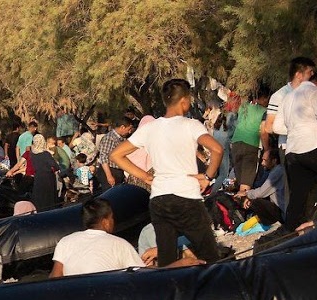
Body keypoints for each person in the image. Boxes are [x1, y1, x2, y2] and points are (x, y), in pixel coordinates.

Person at [111, 78, 226, 266]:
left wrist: (145, 176)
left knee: (167, 258)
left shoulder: (149, 128)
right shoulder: (190, 125)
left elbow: (116, 155)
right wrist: (207, 177)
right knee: (210, 256)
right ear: (184, 101)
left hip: (159, 199)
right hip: (186, 196)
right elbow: (217, 149)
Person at [51, 198, 203, 277]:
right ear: (105, 221)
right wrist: (180, 264)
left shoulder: (66, 241)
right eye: (112, 217)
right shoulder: (119, 244)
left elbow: (56, 276)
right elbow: (145, 275)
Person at [279, 65, 317, 230]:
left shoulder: (289, 97)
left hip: (292, 150)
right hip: (314, 146)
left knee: (299, 196)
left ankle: (291, 231)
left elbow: (282, 124)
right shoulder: (316, 91)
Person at [231, 84, 270, 195]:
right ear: (264, 98)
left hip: (236, 143)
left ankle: (236, 202)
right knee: (245, 186)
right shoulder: (264, 111)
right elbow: (263, 131)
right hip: (251, 145)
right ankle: (242, 203)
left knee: (240, 180)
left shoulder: (244, 107)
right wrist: (267, 149)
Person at [9, 135, 62, 211]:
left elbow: (20, 164)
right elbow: (55, 166)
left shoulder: (32, 154)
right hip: (48, 178)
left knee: (39, 199)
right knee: (48, 199)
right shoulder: (46, 154)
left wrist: (11, 171)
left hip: (38, 178)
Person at [95, 115, 136, 192]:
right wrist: (109, 176)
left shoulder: (122, 138)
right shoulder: (109, 138)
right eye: (129, 129)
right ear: (122, 127)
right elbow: (103, 157)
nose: (129, 132)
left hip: (118, 171)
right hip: (110, 170)